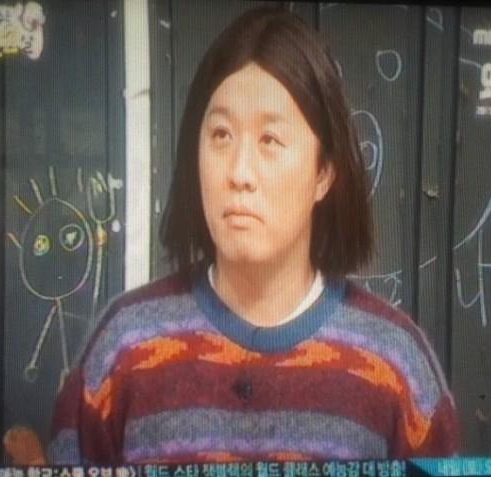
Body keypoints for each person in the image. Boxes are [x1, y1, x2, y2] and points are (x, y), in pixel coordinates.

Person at [46, 6, 459, 464]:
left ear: (324, 172)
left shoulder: (396, 365)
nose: (239, 173)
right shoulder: (123, 347)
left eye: (270, 141)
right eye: (221, 135)